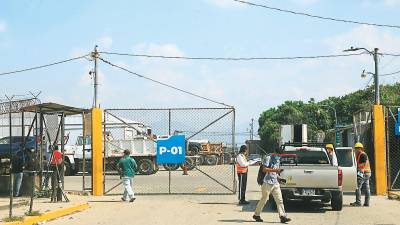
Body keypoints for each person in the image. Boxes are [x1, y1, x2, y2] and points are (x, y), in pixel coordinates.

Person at [253, 153, 291, 223]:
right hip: (267, 182)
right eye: (278, 155)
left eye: (280, 156)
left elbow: (275, 173)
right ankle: (256, 215)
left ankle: (282, 216)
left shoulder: (278, 160)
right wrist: (276, 170)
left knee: (279, 200)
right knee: (264, 199)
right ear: (275, 153)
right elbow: (264, 169)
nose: (279, 157)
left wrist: (279, 179)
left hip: (275, 182)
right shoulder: (268, 158)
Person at [350, 142, 371, 207]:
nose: (355, 150)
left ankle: (358, 202)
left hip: (363, 173)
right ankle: (366, 203)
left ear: (360, 149)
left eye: (357, 149)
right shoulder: (360, 154)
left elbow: (361, 165)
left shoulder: (362, 155)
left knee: (358, 187)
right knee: (366, 188)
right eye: (355, 148)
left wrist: (355, 168)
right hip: (366, 172)